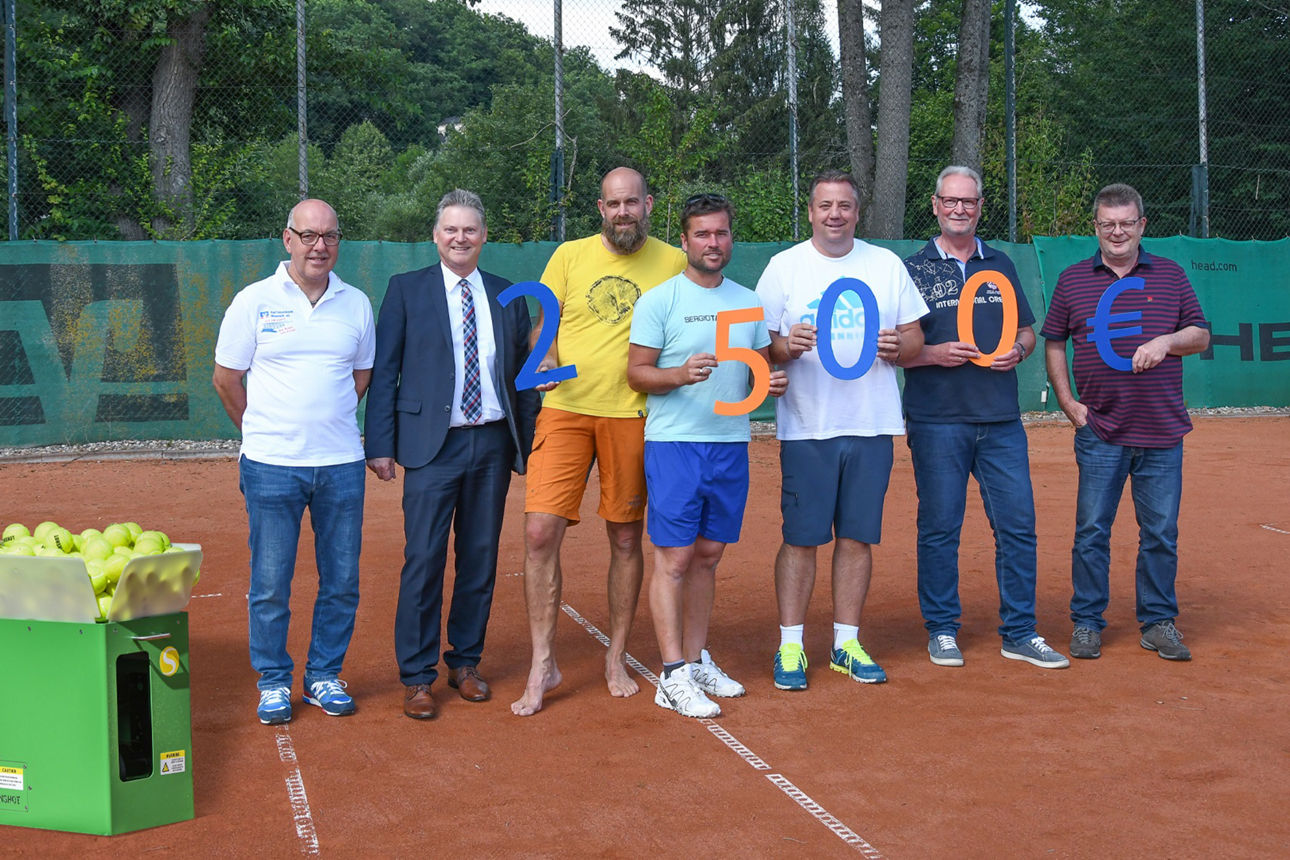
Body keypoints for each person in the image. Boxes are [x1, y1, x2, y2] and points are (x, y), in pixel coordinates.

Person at [511, 167, 686, 716]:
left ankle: (616, 656)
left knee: (627, 540)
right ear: (600, 208)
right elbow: (546, 328)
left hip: (633, 417)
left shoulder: (674, 262)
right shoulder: (569, 255)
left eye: (631, 202)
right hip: (565, 412)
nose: (623, 212)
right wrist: (550, 371)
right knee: (539, 533)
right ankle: (544, 662)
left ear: (649, 205)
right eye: (613, 204)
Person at [364, 190, 540, 720]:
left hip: (490, 443)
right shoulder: (405, 290)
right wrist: (380, 445)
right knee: (423, 559)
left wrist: (526, 445)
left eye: (470, 230)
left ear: (484, 236)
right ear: (435, 236)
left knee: (480, 558)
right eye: (451, 230)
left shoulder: (509, 296)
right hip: (428, 448)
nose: (460, 238)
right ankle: (417, 677)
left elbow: (524, 380)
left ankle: (465, 662)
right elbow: (384, 373)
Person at [756, 170, 928, 691]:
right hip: (808, 426)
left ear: (857, 212)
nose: (835, 214)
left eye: (845, 206)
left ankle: (845, 644)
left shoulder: (885, 264)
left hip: (872, 425)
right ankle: (790, 646)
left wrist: (903, 348)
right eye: (825, 205)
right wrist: (787, 347)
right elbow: (759, 348)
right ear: (810, 211)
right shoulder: (784, 268)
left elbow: (916, 337)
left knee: (856, 537)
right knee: (802, 538)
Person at [900, 166, 1069, 669]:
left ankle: (1020, 631)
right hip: (936, 420)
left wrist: (1018, 349)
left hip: (1000, 421)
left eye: (968, 202)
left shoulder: (1001, 263)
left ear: (979, 207)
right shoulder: (910, 269)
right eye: (950, 201)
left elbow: (1028, 332)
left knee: (1018, 527)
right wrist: (933, 354)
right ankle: (942, 630)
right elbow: (893, 349)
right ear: (935, 205)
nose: (959, 209)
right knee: (940, 528)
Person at [626, 193, 788, 718]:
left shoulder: (748, 302)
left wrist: (773, 384)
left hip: (730, 445)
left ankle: (695, 661)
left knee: (709, 556)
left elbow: (757, 373)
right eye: (702, 234)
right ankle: (671, 674)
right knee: (674, 558)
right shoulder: (659, 300)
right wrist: (679, 374)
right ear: (684, 240)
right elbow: (637, 373)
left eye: (720, 233)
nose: (712, 243)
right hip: (674, 445)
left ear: (729, 238)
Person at [213, 199, 374, 725]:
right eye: (308, 236)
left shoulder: (356, 304)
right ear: (287, 240)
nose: (319, 246)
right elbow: (226, 379)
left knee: (342, 580)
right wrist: (261, 430)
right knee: (270, 582)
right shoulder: (253, 301)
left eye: (328, 236)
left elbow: (360, 377)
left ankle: (324, 675)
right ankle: (274, 682)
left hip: (341, 465)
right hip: (270, 465)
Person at [1043, 184, 1209, 662]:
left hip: (1161, 431)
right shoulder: (1073, 280)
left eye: (1126, 223)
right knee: (1092, 530)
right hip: (1099, 431)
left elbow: (1200, 333)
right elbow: (1055, 341)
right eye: (1107, 223)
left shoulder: (1172, 275)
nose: (1117, 232)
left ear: (1142, 226)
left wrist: (1166, 343)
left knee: (1160, 533)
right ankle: (1087, 623)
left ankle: (1158, 622)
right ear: (1095, 227)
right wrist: (1067, 402)